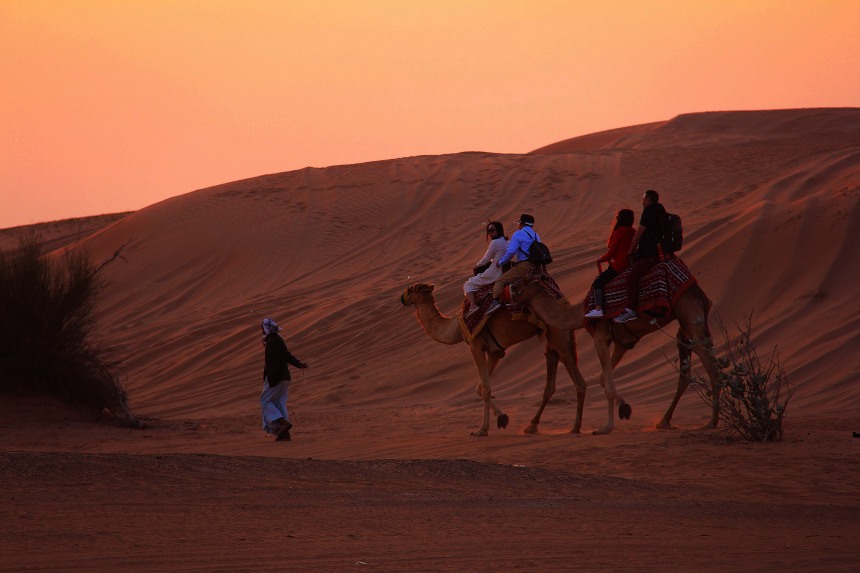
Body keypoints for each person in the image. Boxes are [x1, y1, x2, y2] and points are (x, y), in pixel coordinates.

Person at [614, 190, 667, 323]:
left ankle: (630, 310)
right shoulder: (661, 211)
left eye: (643, 199)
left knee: (630, 278)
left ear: (648, 200)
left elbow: (639, 234)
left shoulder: (649, 212)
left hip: (650, 254)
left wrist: (630, 250)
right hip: (661, 252)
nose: (642, 201)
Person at [259, 318, 308, 441]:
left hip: (277, 376)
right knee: (279, 403)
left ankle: (282, 424)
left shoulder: (275, 340)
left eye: (262, 329)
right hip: (282, 377)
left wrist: (299, 364)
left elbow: (285, 355)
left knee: (266, 401)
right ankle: (284, 434)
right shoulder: (274, 339)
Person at [485, 213, 542, 314]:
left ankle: (495, 302)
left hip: (524, 267)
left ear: (521, 224)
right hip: (536, 267)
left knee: (500, 281)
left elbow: (511, 252)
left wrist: (501, 262)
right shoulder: (536, 235)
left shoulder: (518, 234)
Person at [585, 209, 636, 318]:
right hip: (630, 264)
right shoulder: (633, 231)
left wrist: (601, 259)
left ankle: (598, 309)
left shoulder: (619, 232)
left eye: (618, 217)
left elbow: (612, 252)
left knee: (598, 282)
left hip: (620, 265)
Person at [463, 221, 509, 316]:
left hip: (494, 273)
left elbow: (485, 259)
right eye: (488, 231)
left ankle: (473, 306)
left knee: (468, 285)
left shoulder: (495, 242)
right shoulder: (506, 241)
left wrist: (476, 266)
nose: (490, 234)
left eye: (492, 231)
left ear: (498, 230)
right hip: (505, 271)